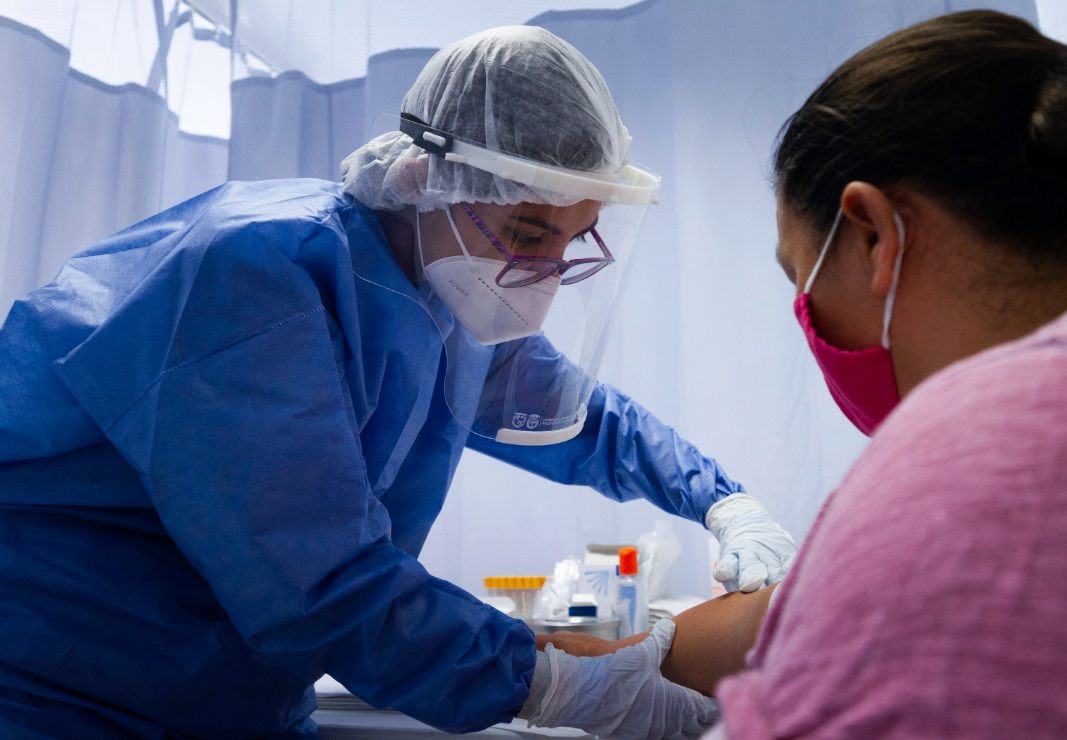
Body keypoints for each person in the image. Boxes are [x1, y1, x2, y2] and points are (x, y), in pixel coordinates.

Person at [0, 25, 795, 738]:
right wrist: (554, 685)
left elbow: (578, 419)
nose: (550, 271)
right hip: (63, 688)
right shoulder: (256, 276)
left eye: (574, 237)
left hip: (233, 695)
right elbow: (318, 583)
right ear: (428, 179)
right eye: (528, 232)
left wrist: (724, 501)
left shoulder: (449, 299)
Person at [555, 3, 1067, 737]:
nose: (808, 320)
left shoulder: (978, 451)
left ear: (872, 237)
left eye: (803, 281)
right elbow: (833, 603)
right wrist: (647, 658)